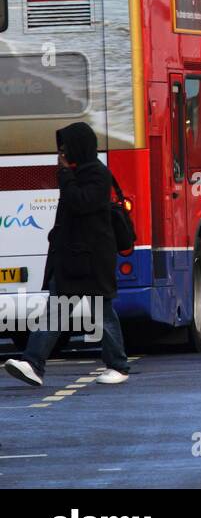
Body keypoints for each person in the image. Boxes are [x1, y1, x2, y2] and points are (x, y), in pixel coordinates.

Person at [3, 123, 130, 387]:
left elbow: (80, 202)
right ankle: (33, 363)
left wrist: (65, 176)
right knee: (59, 311)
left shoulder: (96, 174)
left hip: (91, 260)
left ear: (78, 147)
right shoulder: (80, 173)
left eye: (65, 149)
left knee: (101, 312)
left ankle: (117, 365)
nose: (61, 155)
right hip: (75, 260)